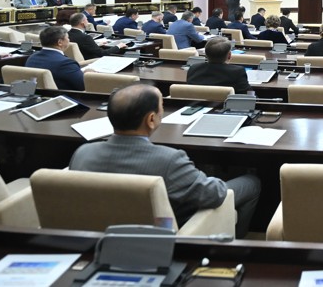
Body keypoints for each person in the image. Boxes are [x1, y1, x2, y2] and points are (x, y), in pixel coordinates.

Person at [68, 84, 260, 237]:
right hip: (168, 231)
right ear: (151, 119)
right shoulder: (169, 160)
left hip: (99, 234)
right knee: (251, 182)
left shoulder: (83, 153)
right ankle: (238, 243)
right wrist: (206, 177)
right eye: (162, 108)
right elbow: (215, 194)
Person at [26, 26, 85, 91]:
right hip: (67, 96)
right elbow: (85, 85)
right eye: (68, 38)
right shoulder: (66, 63)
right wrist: (88, 74)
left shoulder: (31, 58)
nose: (69, 40)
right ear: (60, 42)